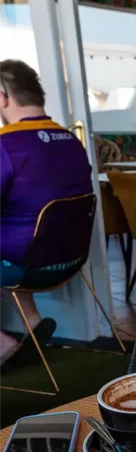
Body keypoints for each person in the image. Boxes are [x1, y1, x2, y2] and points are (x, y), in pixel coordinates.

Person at [0, 59, 93, 362]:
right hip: (73, 259)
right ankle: (34, 324)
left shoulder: (7, 144)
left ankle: (3, 344)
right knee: (21, 230)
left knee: (17, 237)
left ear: (3, 97)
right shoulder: (71, 140)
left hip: (25, 266)